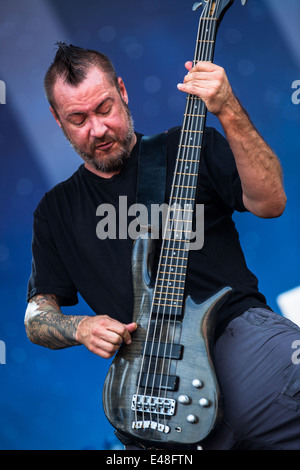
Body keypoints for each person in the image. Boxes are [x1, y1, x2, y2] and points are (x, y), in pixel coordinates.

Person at [24, 43, 300, 450]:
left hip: (244, 345)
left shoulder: (187, 147)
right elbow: (36, 316)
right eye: (78, 119)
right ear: (57, 120)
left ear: (123, 90)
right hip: (153, 389)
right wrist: (79, 327)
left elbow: (272, 200)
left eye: (104, 109)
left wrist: (227, 110)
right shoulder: (55, 211)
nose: (97, 130)